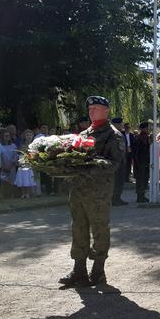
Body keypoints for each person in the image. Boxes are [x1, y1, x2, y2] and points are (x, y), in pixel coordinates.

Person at [59, 96, 124, 286]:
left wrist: (89, 165)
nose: (91, 111)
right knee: (78, 227)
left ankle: (98, 270)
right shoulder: (84, 133)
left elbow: (114, 163)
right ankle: (79, 271)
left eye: (96, 108)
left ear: (107, 110)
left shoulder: (113, 135)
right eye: (90, 109)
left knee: (100, 229)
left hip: (98, 192)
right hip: (79, 189)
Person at [14, 129, 37, 198]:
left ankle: (31, 193)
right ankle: (24, 193)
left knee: (30, 179)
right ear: (24, 136)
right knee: (24, 179)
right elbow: (18, 158)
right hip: (23, 167)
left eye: (30, 135)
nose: (29, 137)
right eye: (27, 135)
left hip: (32, 165)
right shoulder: (22, 145)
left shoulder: (35, 144)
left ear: (32, 136)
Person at [110, 117, 128, 206]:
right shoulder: (113, 133)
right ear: (116, 124)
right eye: (120, 124)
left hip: (120, 160)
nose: (122, 125)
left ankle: (117, 197)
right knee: (116, 180)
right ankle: (114, 198)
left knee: (120, 180)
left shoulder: (119, 133)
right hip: (116, 161)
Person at [133, 122, 151, 203]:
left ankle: (142, 195)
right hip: (140, 162)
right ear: (143, 128)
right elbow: (136, 152)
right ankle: (140, 197)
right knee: (140, 179)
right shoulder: (139, 138)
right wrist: (137, 162)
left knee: (144, 179)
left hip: (145, 162)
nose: (148, 129)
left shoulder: (146, 137)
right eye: (147, 128)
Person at [0, 130, 18, 199]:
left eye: (8, 136)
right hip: (3, 166)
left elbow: (15, 156)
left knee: (12, 181)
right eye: (5, 136)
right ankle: (4, 196)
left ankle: (11, 195)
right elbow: (0, 156)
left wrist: (10, 165)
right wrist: (3, 165)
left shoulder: (13, 146)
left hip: (11, 166)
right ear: (2, 137)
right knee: (4, 181)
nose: (7, 137)